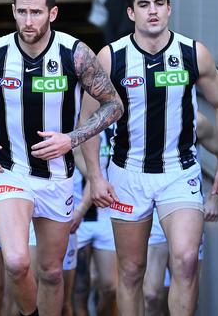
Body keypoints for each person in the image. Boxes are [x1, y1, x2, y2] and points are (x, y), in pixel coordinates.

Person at [0, 0, 123, 316]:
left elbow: (114, 104)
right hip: (10, 172)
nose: (28, 21)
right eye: (22, 12)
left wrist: (70, 139)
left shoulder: (75, 54)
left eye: (36, 12)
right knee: (16, 262)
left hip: (58, 176)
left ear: (53, 13)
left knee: (50, 271)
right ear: (13, 10)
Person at [80, 0, 218, 316]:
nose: (153, 11)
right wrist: (95, 176)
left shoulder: (193, 53)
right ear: (131, 12)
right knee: (133, 271)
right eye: (144, 5)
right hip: (128, 176)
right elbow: (88, 122)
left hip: (179, 173)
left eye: (159, 4)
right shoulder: (111, 58)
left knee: (185, 261)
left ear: (170, 9)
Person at [142, 112, 218, 316]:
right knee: (151, 295)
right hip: (152, 209)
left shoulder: (197, 121)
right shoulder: (140, 111)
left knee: (187, 295)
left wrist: (215, 199)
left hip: (186, 206)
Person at [70, 126, 118, 316]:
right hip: (75, 219)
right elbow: (91, 176)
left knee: (111, 287)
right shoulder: (72, 128)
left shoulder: (115, 128)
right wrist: (80, 210)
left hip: (106, 216)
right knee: (79, 287)